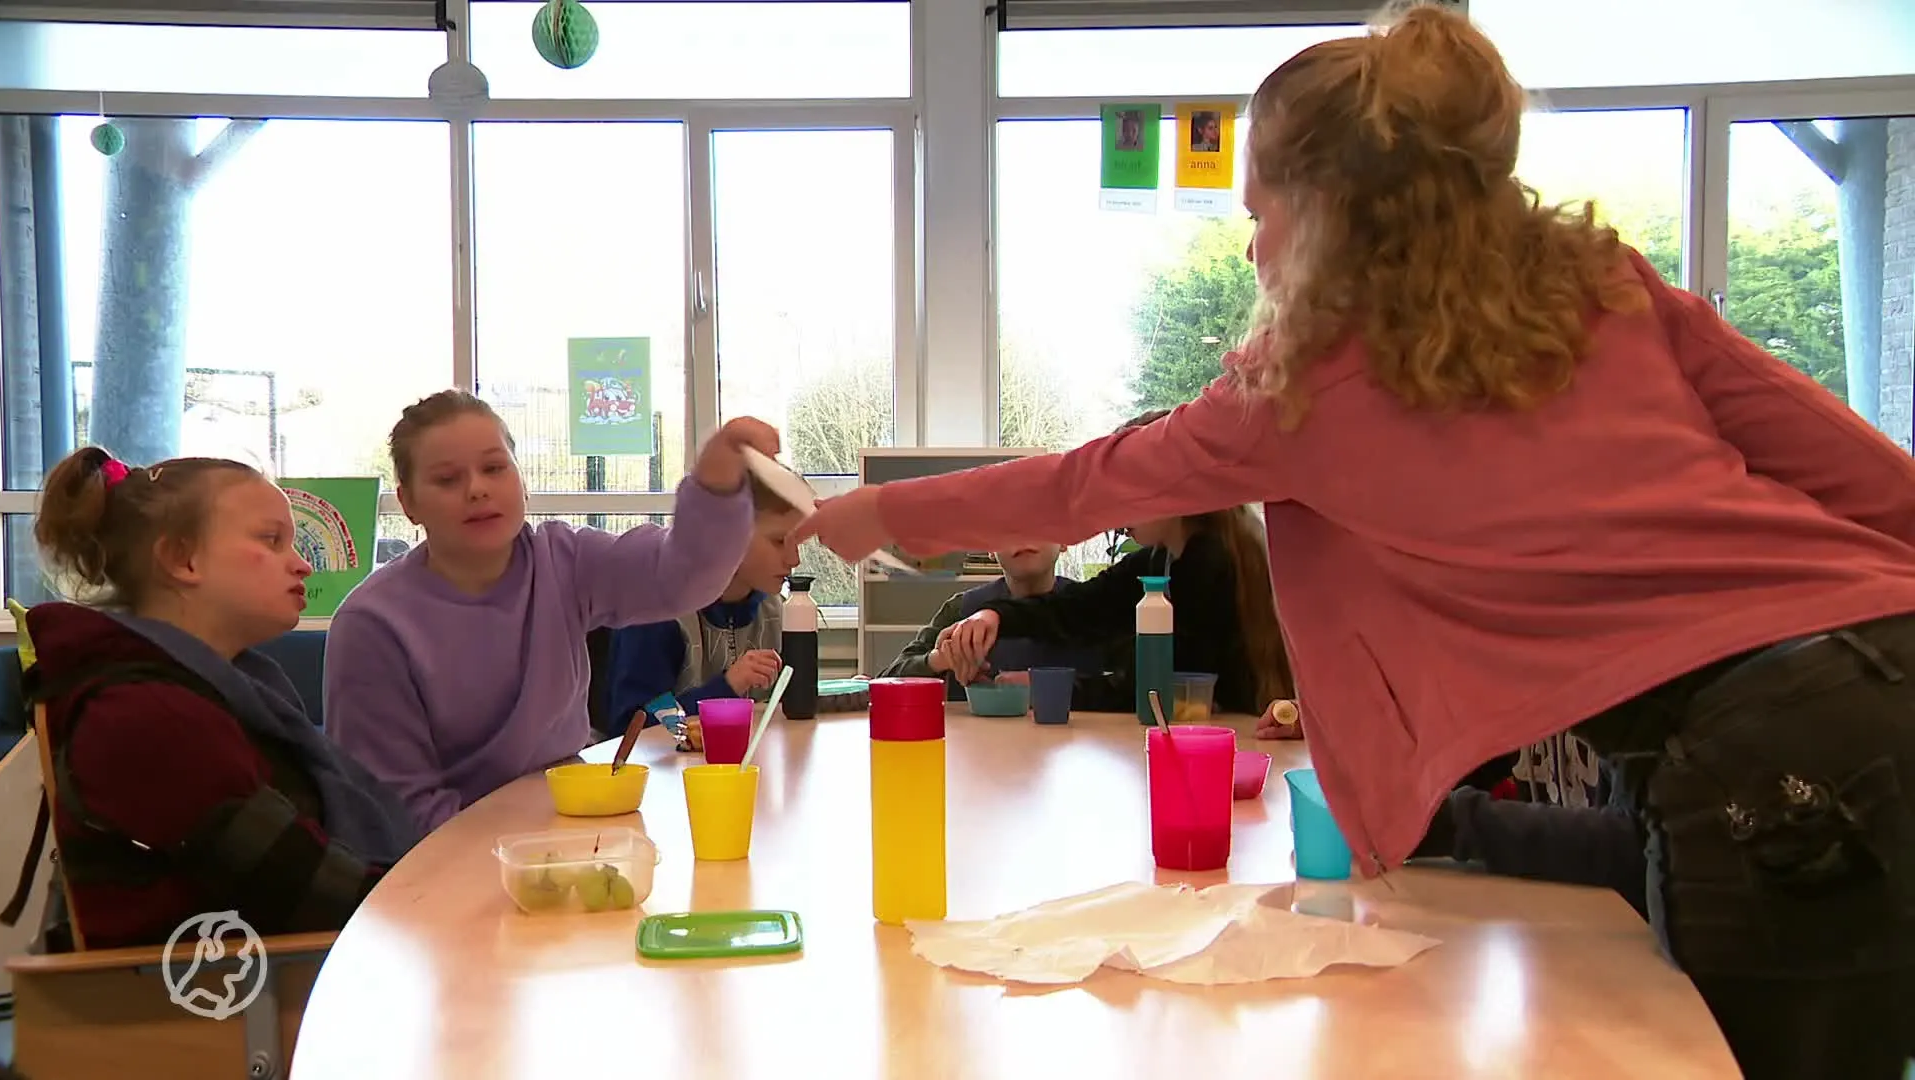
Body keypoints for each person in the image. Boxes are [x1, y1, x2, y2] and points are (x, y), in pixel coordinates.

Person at [791, 4, 1915, 1076]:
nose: (1249, 252)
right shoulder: (1606, 289)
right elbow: (1858, 472)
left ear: (1323, 210)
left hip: (1762, 760)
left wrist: (881, 514)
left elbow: (1087, 482)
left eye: (1256, 214)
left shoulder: (1299, 392)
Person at [11, 447, 418, 951]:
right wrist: (440, 904)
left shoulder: (217, 687)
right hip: (210, 1008)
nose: (302, 565)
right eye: (271, 541)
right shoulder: (148, 717)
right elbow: (301, 885)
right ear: (183, 559)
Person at [323, 390, 774, 833]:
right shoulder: (373, 625)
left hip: (570, 827)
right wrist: (523, 858)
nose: (477, 489)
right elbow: (396, 810)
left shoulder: (564, 560)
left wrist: (717, 484)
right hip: (447, 859)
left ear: (523, 481)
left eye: (494, 468)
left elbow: (683, 577)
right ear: (408, 504)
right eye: (447, 479)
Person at [934, 413, 1292, 717]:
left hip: (1237, 740)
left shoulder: (1211, 565)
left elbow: (1155, 691)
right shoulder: (1163, 557)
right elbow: (1080, 608)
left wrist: (1044, 688)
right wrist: (995, 616)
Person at [602, 473, 803, 744]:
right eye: (779, 541)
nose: (795, 559)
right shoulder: (657, 611)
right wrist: (727, 688)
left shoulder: (774, 607)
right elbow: (631, 726)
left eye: (798, 544)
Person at [874, 543, 1106, 700]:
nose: (1022, 536)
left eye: (1038, 522)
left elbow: (1130, 688)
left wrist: (1050, 687)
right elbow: (886, 683)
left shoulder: (1099, 609)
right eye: (1007, 527)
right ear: (989, 547)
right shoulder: (961, 610)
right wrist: (940, 659)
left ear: (1065, 538)